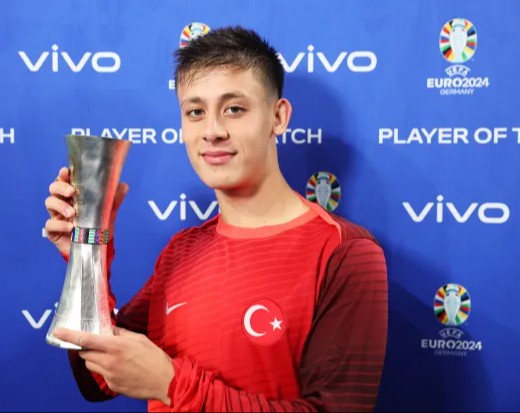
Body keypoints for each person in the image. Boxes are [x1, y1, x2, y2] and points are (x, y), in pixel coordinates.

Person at [45, 25, 388, 412]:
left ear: (278, 116)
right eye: (195, 112)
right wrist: (88, 247)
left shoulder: (347, 252)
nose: (212, 131)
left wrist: (172, 385)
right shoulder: (181, 251)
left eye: (234, 109)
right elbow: (97, 380)